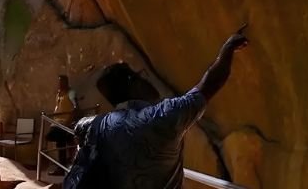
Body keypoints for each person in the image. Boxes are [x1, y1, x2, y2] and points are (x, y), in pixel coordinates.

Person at [64, 26, 250, 189]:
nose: (145, 79)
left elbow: (79, 128)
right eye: (139, 76)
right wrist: (228, 50)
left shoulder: (98, 125)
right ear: (132, 84)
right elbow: (209, 85)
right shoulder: (160, 119)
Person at [45, 75, 78, 166]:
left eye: (61, 82)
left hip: (65, 123)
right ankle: (63, 163)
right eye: (59, 82)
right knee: (57, 140)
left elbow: (76, 107)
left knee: (59, 140)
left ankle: (62, 166)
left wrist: (69, 122)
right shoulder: (59, 94)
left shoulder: (70, 93)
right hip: (57, 123)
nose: (59, 84)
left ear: (66, 82)